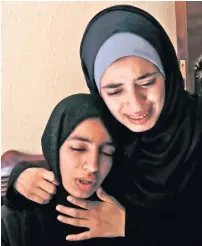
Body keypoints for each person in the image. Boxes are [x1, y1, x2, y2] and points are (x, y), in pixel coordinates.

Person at [4, 4, 202, 246]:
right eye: (115, 90)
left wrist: (129, 225)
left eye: (147, 82)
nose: (136, 105)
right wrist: (19, 177)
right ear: (99, 93)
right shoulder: (116, 135)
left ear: (168, 74)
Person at [1, 93, 125, 246]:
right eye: (78, 148)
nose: (93, 166)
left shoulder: (125, 208)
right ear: (54, 148)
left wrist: (129, 228)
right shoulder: (18, 219)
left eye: (107, 152)